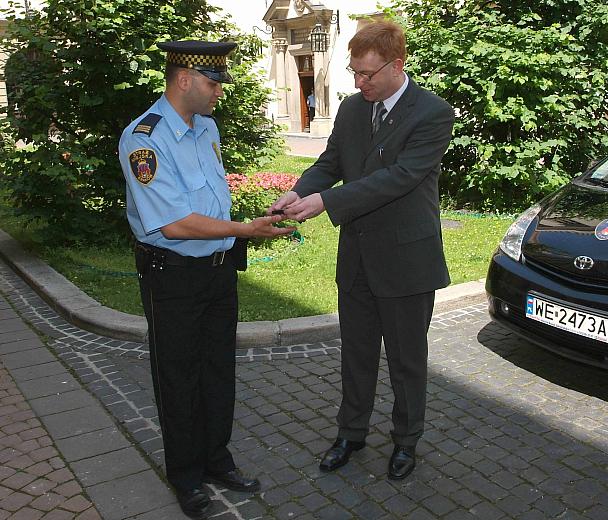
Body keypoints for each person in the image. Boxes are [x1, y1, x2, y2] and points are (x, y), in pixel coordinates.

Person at [270, 20, 454, 480]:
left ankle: (406, 441)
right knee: (356, 354)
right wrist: (298, 192)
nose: (359, 83)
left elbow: (398, 179)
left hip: (407, 261)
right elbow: (331, 162)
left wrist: (325, 201)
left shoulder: (432, 113)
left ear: (397, 65)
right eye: (354, 73)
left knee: (407, 360)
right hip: (357, 258)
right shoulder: (353, 109)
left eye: (368, 75)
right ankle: (350, 433)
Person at [118, 40, 295, 519]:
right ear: (183, 79)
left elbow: (212, 198)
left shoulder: (206, 128)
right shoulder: (144, 139)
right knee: (178, 376)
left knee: (218, 370)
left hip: (219, 273)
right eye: (212, 82)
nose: (219, 91)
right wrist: (246, 230)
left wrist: (256, 218)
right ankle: (186, 476)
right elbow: (174, 223)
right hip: (172, 276)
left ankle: (217, 460)